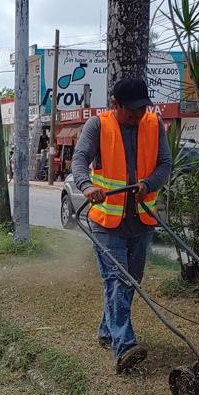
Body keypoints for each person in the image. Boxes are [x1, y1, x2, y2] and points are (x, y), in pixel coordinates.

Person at [71, 77, 173, 374]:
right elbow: (80, 159)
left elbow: (165, 164)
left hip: (141, 220)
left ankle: (107, 330)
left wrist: (148, 183)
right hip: (106, 222)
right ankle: (124, 347)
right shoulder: (98, 126)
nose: (138, 115)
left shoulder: (154, 125)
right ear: (115, 105)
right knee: (117, 279)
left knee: (131, 282)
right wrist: (87, 186)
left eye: (142, 109)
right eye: (131, 111)